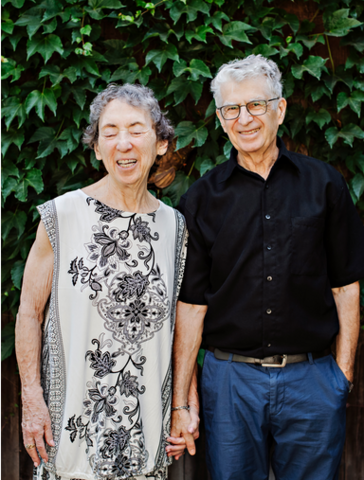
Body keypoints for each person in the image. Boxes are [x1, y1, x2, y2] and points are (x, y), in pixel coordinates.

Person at [170, 55, 364, 480]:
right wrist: (182, 399)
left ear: (280, 109)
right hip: (229, 382)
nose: (244, 118)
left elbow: (345, 285)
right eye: (231, 109)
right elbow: (191, 305)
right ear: (221, 120)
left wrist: (342, 374)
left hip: (312, 380)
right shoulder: (200, 200)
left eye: (256, 105)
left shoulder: (325, 184)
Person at [15, 83, 198, 480]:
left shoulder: (175, 227)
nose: (123, 143)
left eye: (136, 129)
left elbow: (177, 327)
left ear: (162, 143)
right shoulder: (61, 217)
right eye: (110, 132)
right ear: (97, 148)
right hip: (70, 432)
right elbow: (29, 310)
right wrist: (32, 398)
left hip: (146, 434)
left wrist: (185, 404)